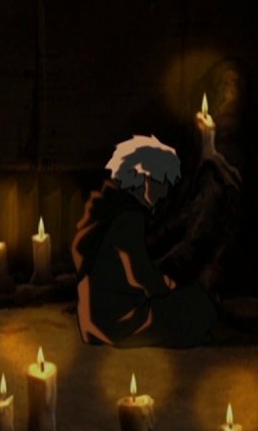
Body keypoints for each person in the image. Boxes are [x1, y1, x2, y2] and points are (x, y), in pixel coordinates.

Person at [71, 134, 217, 348]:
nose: (164, 192)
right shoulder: (129, 217)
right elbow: (140, 274)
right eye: (162, 182)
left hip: (90, 320)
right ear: (142, 179)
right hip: (116, 322)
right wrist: (167, 285)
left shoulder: (107, 208)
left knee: (191, 303)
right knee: (198, 305)